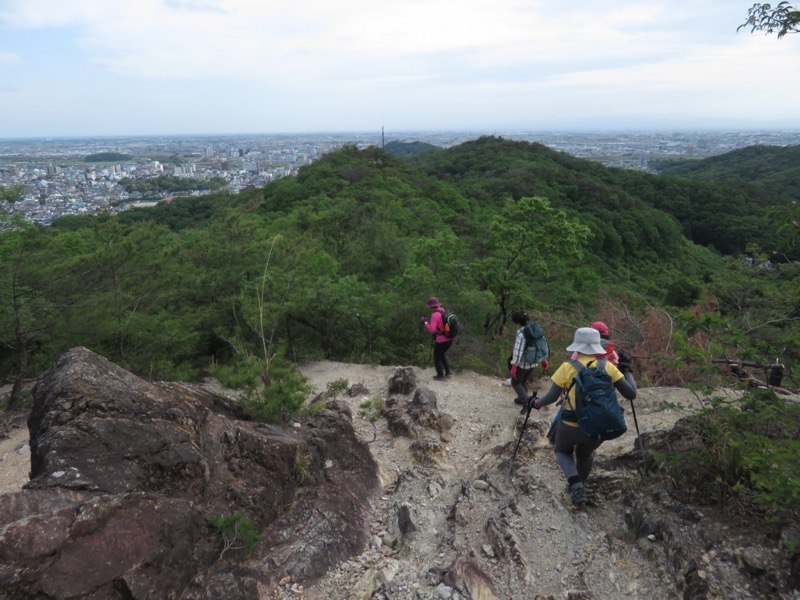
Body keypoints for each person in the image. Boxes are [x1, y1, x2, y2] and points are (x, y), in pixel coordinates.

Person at [530, 327, 637, 506]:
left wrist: (535, 403)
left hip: (571, 423)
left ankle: (575, 484)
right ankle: (579, 486)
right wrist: (627, 370)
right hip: (598, 425)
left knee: (562, 450)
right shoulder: (608, 366)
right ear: (596, 347)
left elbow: (551, 397)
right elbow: (631, 393)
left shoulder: (567, 368)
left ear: (577, 347)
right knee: (585, 455)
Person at [548, 320, 619, 443]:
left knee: (563, 411)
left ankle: (553, 436)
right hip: (602, 397)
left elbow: (572, 370)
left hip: (578, 398)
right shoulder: (611, 353)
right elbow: (616, 369)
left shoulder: (575, 357)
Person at [508, 311, 549, 405]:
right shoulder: (536, 330)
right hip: (534, 362)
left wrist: (514, 366)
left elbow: (517, 351)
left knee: (515, 382)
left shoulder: (521, 334)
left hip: (523, 364)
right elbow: (543, 345)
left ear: (517, 323)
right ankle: (521, 399)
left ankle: (527, 402)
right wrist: (543, 360)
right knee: (523, 381)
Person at [421, 296, 453, 381]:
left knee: (436, 358)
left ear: (431, 306)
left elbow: (432, 329)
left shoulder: (435, 315)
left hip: (441, 340)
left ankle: (440, 375)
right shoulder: (444, 310)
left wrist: (425, 322)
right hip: (450, 339)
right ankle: (448, 370)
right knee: (441, 354)